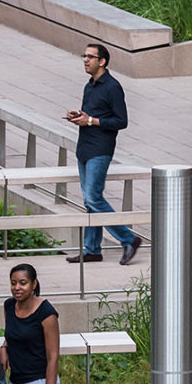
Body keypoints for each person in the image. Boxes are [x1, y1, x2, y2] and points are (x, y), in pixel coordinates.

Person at [65, 43, 139, 265]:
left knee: (93, 197)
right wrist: (79, 116)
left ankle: (128, 238)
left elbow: (121, 121)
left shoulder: (112, 87)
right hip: (84, 148)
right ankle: (93, 250)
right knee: (89, 202)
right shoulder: (90, 85)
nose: (85, 60)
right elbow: (91, 115)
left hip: (100, 149)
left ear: (102, 61)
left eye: (90, 56)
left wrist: (91, 121)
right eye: (84, 55)